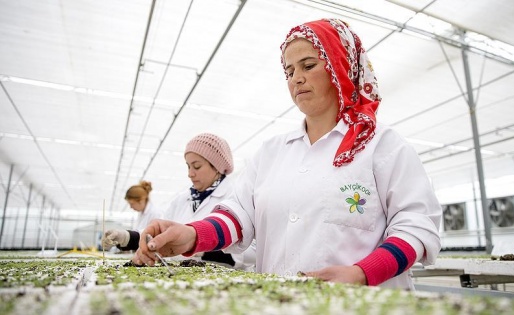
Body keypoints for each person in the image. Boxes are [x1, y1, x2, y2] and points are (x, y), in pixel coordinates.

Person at [135, 18, 441, 289]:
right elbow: (239, 216)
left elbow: (416, 225)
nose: (295, 78)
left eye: (308, 66)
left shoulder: (382, 146)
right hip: (281, 303)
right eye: (289, 70)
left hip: (362, 304)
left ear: (341, 66)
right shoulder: (271, 153)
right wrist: (190, 234)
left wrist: (362, 272)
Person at [104, 133, 255, 269]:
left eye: (197, 166)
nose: (190, 173)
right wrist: (126, 237)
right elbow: (159, 233)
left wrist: (203, 250)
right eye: (188, 166)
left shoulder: (236, 196)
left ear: (217, 167)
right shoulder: (182, 199)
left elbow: (253, 250)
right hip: (183, 280)